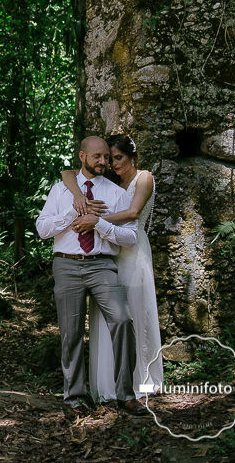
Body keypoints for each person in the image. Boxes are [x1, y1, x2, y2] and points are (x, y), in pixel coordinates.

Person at [36, 136, 147, 416]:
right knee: (70, 333)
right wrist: (73, 213)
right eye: (97, 156)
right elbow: (42, 228)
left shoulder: (115, 193)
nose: (103, 162)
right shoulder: (60, 191)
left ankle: (126, 394)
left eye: (106, 158)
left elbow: (131, 237)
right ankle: (74, 396)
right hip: (66, 266)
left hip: (101, 266)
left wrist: (98, 223)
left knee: (122, 320)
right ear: (82, 156)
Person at [60, 133, 163, 403]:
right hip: (108, 255)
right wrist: (77, 195)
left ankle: (141, 378)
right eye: (108, 158)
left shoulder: (144, 178)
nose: (113, 163)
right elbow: (68, 172)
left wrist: (94, 218)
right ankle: (106, 381)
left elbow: (132, 213)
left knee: (133, 315)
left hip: (133, 252)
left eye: (118, 157)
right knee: (106, 320)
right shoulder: (113, 183)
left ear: (132, 156)